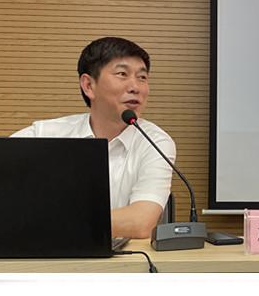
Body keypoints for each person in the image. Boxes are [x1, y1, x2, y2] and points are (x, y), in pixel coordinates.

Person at [11, 37, 176, 239]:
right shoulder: (44, 134)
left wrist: (44, 222)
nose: (136, 87)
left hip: (122, 258)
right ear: (88, 85)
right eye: (122, 74)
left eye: (142, 77)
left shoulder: (155, 142)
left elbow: (140, 223)